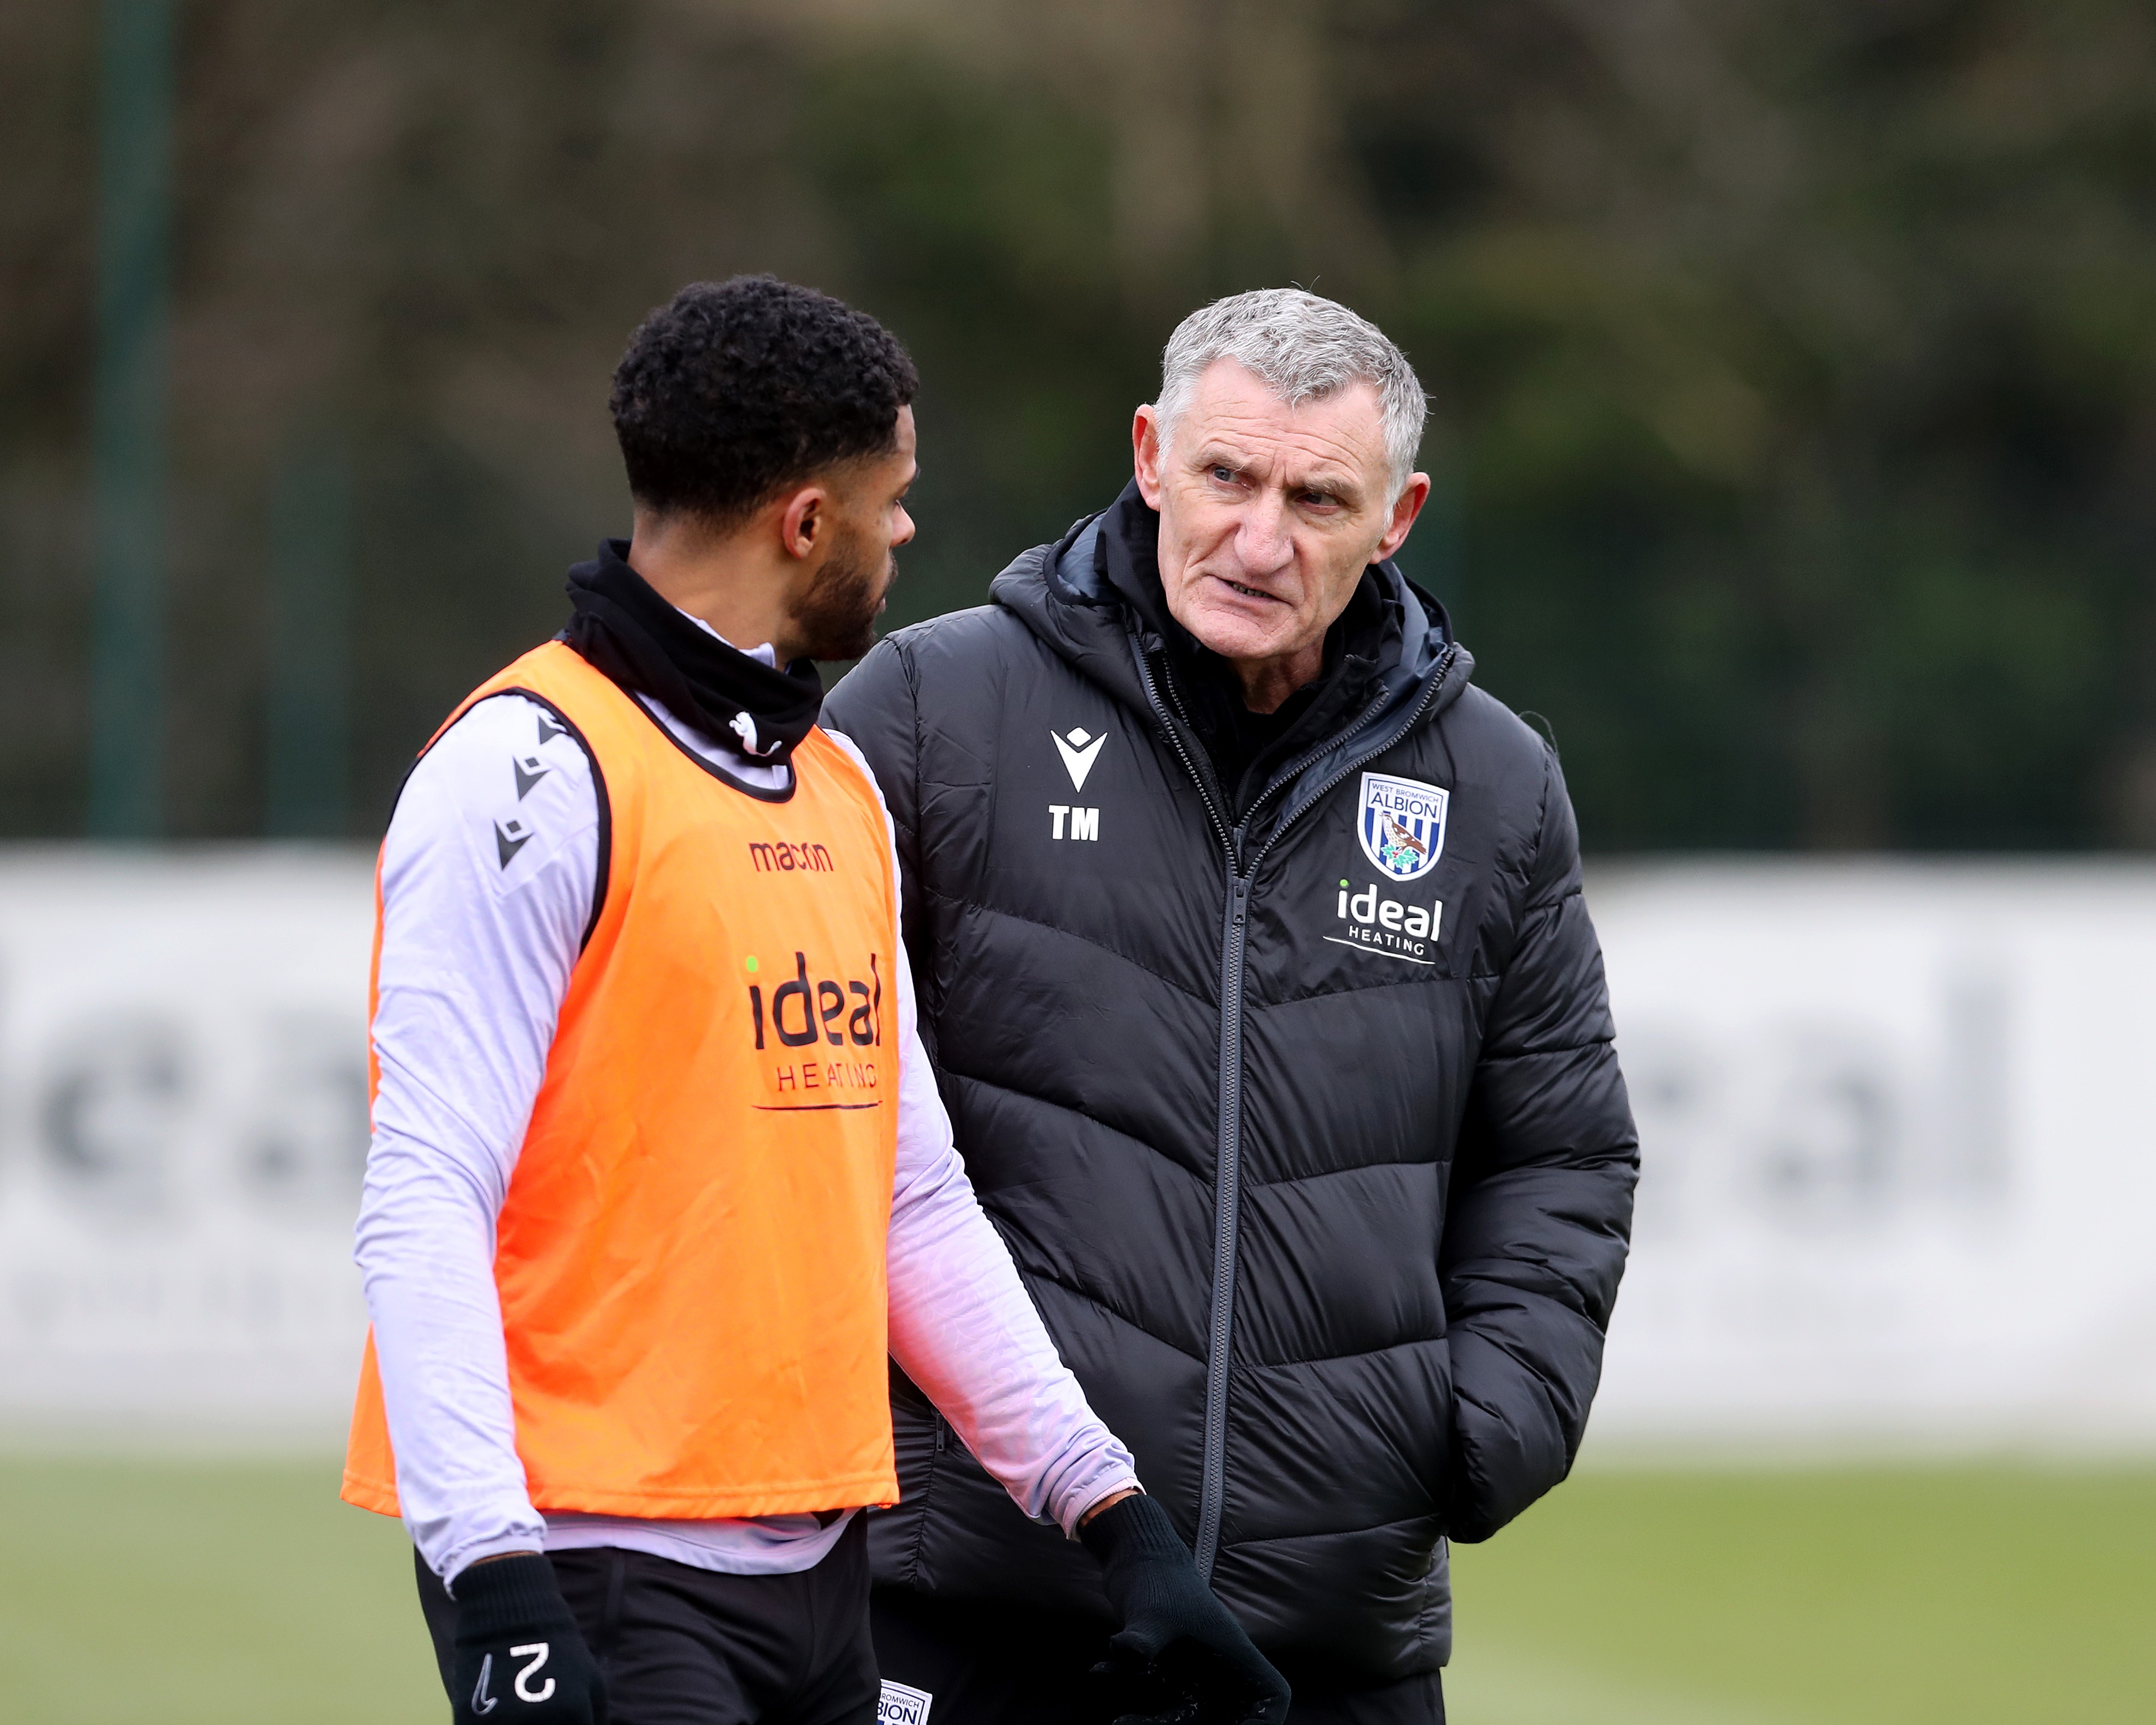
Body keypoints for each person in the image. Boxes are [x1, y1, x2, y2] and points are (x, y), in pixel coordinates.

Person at [341, 275, 1288, 1725]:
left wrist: (1114, 1518)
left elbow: (906, 1199)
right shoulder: (525, 773)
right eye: (888, 499)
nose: (904, 530)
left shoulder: (832, 780)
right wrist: (493, 1584)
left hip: (820, 1575)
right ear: (804, 522)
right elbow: (425, 1194)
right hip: (598, 1571)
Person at [820, 288, 1640, 1724]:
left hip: (1326, 1638)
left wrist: (1469, 1432)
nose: (1260, 542)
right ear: (1149, 455)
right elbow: (800, 1091)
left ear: (1397, 519)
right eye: (1226, 478)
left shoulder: (1490, 788)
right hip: (972, 1604)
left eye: (1317, 499)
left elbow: (1559, 1152)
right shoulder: (934, 710)